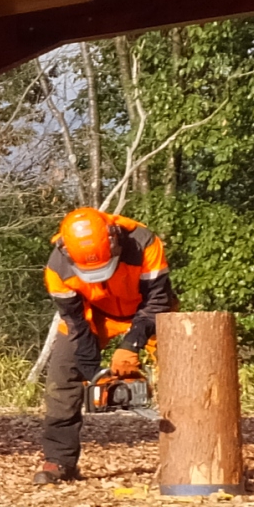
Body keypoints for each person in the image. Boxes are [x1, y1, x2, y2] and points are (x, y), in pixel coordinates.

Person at [34, 207, 173, 485]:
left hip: (148, 312)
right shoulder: (57, 269)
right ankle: (59, 459)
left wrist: (131, 345)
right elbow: (76, 323)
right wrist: (93, 373)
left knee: (183, 370)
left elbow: (158, 301)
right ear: (67, 252)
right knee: (62, 378)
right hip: (93, 316)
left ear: (114, 239)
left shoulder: (144, 243)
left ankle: (191, 455)